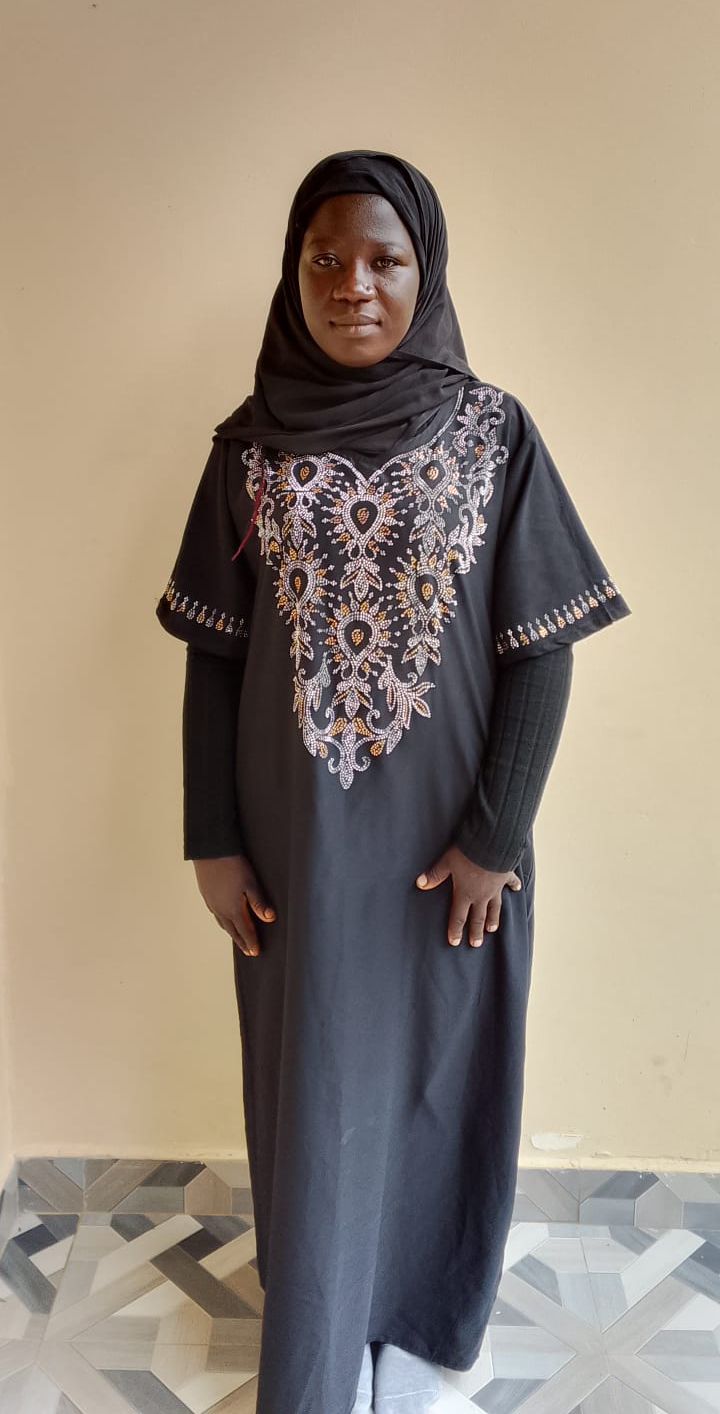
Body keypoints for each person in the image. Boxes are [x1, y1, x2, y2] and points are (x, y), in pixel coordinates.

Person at [156, 150, 630, 1414]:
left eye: (383, 260)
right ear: (292, 275)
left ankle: (418, 1332)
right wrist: (211, 835)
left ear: (427, 273)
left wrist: (497, 837)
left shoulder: (494, 434)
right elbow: (214, 655)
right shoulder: (249, 450)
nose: (352, 284)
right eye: (325, 260)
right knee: (314, 1090)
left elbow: (542, 648)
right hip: (297, 850)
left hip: (453, 849)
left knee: (442, 1078)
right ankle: (324, 1341)